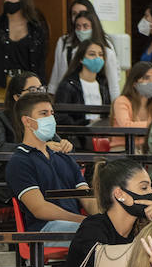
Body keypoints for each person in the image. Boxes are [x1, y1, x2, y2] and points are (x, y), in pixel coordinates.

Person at [5, 92, 96, 242]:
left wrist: (107, 217)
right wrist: (83, 221)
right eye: (43, 113)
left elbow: (86, 198)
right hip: (44, 230)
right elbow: (40, 209)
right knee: (95, 233)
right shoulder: (19, 161)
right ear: (27, 121)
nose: (50, 118)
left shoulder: (63, 157)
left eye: (51, 113)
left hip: (75, 226)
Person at [50, 0, 114, 91]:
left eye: (82, 12)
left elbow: (113, 79)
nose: (79, 16)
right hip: (69, 93)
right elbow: (57, 72)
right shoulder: (65, 41)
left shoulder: (105, 44)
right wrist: (52, 92)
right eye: (74, 14)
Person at [53, 38, 112, 134]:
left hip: (101, 137)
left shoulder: (103, 85)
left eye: (100, 55)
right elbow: (60, 118)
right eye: (92, 54)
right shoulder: (68, 85)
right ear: (81, 58)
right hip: (76, 138)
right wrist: (86, 123)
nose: (97, 58)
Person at [111, 62, 152, 152]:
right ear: (134, 83)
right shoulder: (122, 101)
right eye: (146, 78)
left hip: (148, 149)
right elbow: (126, 125)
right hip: (122, 149)